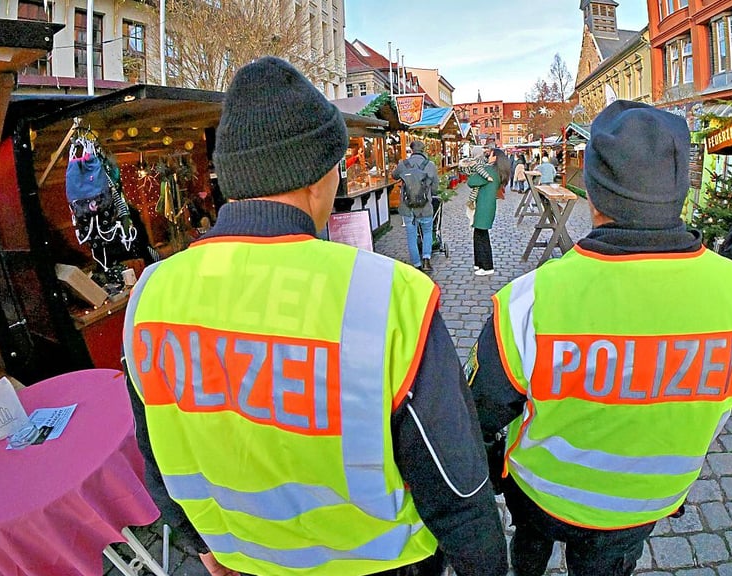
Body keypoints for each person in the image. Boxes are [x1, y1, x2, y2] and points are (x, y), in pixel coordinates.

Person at [122, 57, 507, 576]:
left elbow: (157, 459)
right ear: (321, 176)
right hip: (379, 564)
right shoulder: (390, 296)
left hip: (247, 559)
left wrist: (207, 549)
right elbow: (456, 484)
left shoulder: (152, 296)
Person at [469, 100, 732, 576]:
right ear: (680, 189)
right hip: (643, 503)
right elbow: (722, 403)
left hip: (541, 491)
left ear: (591, 192)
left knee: (528, 552)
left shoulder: (528, 300)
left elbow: (484, 409)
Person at [393, 140, 440, 272]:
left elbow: (394, 176)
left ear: (411, 149)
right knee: (427, 232)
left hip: (408, 208)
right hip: (425, 207)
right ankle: (426, 259)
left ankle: (416, 264)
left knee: (411, 235)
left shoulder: (403, 164)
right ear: (423, 149)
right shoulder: (430, 165)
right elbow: (435, 188)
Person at [466, 147, 507, 276]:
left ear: (495, 158)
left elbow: (471, 182)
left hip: (483, 206)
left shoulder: (489, 170)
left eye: (490, 155)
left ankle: (487, 266)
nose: (488, 156)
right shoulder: (497, 171)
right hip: (487, 205)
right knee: (479, 234)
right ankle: (479, 263)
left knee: (481, 236)